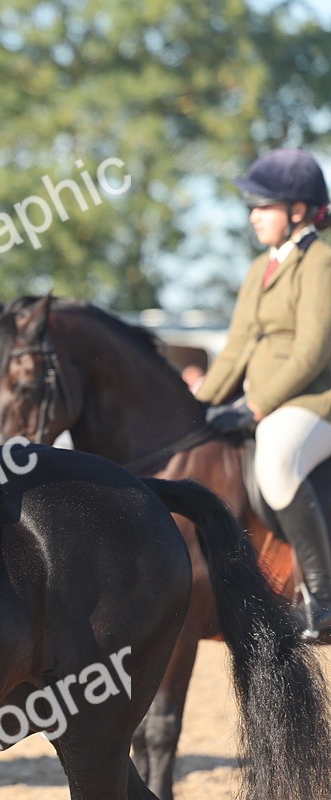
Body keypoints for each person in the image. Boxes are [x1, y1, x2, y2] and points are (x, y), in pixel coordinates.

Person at [196, 148, 331, 634]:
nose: (253, 216)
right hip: (266, 402)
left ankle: (323, 599)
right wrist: (197, 405)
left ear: (298, 210)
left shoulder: (321, 262)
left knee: (276, 462)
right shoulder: (259, 268)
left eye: (263, 206)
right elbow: (236, 348)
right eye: (251, 207)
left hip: (313, 402)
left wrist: (254, 405)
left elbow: (312, 352)